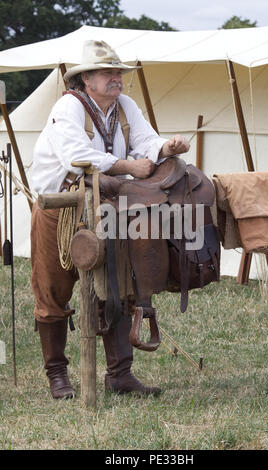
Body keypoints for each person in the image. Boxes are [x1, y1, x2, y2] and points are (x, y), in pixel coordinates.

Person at [31, 40, 190, 399]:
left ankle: (120, 375)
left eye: (119, 72)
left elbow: (146, 142)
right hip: (61, 207)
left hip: (108, 206)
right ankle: (57, 374)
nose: (116, 78)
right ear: (87, 78)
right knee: (54, 289)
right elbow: (76, 157)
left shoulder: (125, 106)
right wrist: (127, 167)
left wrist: (168, 148)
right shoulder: (69, 107)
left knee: (116, 286)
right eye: (108, 72)